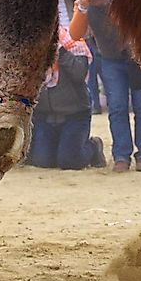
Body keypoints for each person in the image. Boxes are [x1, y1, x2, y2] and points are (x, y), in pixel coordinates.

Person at [85, 0, 141, 172]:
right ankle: (121, 155)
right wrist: (83, 6)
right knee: (117, 107)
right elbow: (76, 34)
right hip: (110, 60)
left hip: (136, 58)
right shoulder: (87, 9)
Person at [28, 15, 105, 171]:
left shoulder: (75, 41)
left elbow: (79, 74)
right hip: (44, 116)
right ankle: (56, 147)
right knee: (42, 161)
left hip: (75, 115)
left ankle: (94, 146)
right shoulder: (31, 49)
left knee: (70, 162)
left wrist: (61, 52)